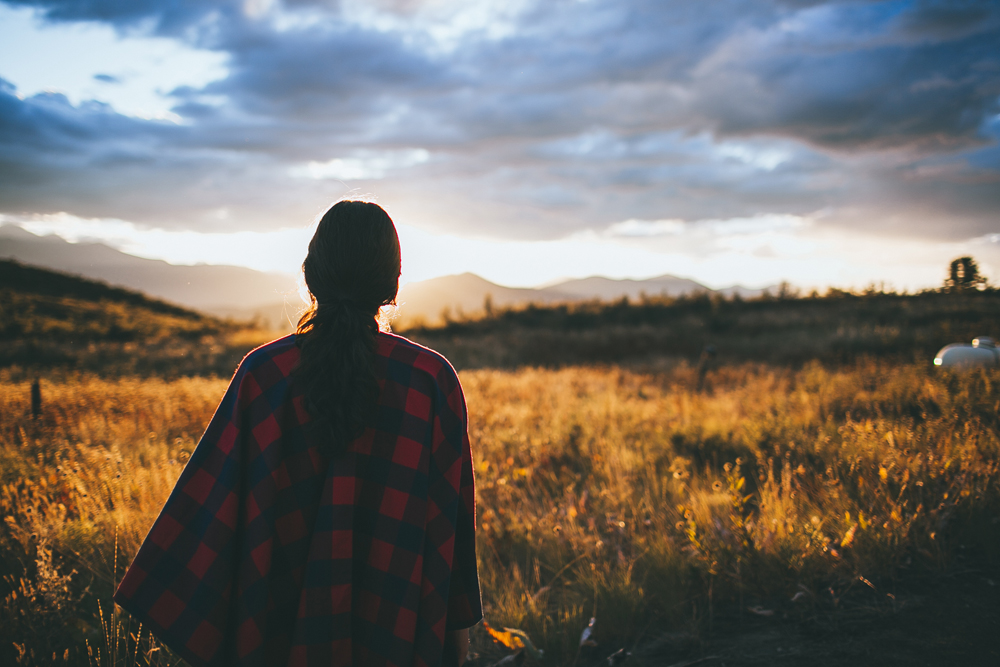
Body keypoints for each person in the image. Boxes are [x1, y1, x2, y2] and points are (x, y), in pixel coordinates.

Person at [114, 201, 482, 666]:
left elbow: (208, 528)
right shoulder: (431, 381)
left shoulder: (263, 375)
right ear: (392, 283)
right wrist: (452, 650)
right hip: (394, 639)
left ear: (311, 276)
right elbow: (451, 545)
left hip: (274, 639)